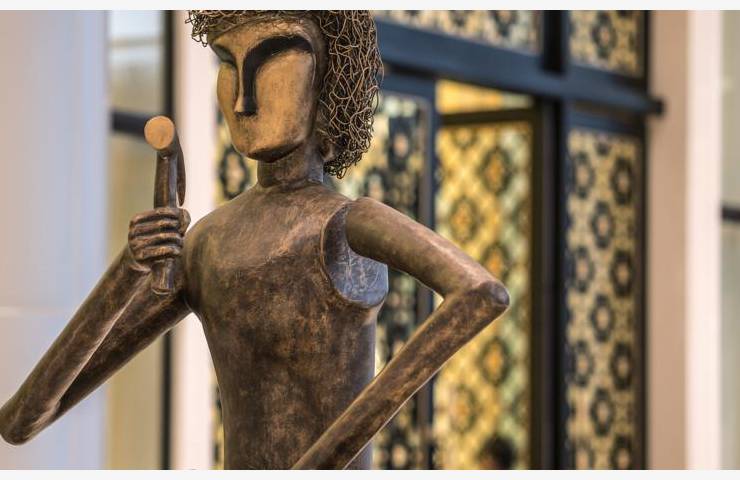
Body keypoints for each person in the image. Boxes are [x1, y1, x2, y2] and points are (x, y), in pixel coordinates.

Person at [0, 11, 509, 469]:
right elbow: (22, 420)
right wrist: (129, 268)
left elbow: (479, 293)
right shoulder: (209, 242)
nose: (244, 98)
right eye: (228, 64)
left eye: (274, 61)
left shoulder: (346, 224)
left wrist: (326, 456)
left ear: (329, 81)